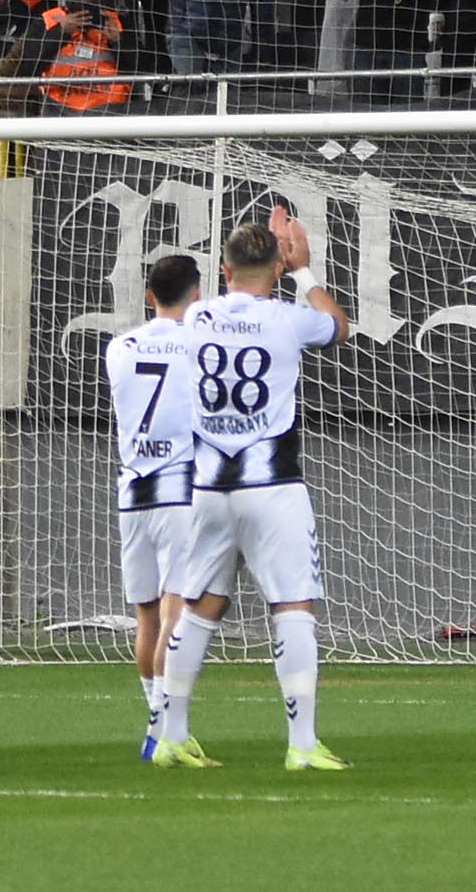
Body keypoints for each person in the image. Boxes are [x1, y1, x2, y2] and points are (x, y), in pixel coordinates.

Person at [149, 207, 351, 774]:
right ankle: (302, 743)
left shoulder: (196, 318)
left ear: (223, 268)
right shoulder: (289, 318)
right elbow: (339, 326)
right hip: (272, 486)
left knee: (199, 607)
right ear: (277, 267)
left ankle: (171, 735)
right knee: (292, 606)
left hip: (208, 490)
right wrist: (306, 271)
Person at [109, 253, 202, 760]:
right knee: (175, 613)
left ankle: (153, 723)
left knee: (146, 618)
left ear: (150, 295)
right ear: (197, 293)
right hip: (179, 491)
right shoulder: (199, 344)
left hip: (133, 492)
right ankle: (167, 729)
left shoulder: (118, 348)